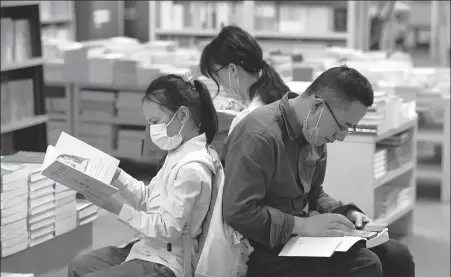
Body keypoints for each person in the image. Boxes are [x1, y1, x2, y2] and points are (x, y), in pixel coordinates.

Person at [221, 65, 415, 277]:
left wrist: (345, 213)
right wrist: (303, 225)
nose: (340, 137)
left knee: (397, 255)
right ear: (317, 106)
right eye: (342, 126)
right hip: (257, 246)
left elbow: (313, 192)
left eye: (350, 129)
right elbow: (239, 211)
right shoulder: (259, 135)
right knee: (364, 264)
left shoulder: (314, 131)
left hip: (299, 236)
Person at [68, 74, 219, 277]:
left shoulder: (191, 169)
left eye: (155, 122)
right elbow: (149, 199)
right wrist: (117, 175)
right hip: (147, 249)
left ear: (182, 115)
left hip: (166, 263)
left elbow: (168, 229)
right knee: (79, 265)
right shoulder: (177, 152)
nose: (151, 131)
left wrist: (119, 209)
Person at [200, 25, 290, 134]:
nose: (220, 84)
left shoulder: (244, 122)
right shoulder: (283, 101)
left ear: (232, 70)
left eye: (217, 77)